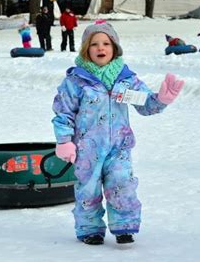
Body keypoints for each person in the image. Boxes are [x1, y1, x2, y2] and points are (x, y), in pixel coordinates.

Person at [52, 20, 184, 246]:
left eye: (106, 43)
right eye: (94, 44)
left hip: (119, 146)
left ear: (114, 48)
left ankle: (124, 225)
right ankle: (89, 228)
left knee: (122, 183)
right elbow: (64, 111)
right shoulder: (76, 80)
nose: (100, 48)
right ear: (86, 49)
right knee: (88, 188)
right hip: (88, 148)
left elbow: (145, 104)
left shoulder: (126, 78)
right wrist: (64, 141)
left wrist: (161, 100)